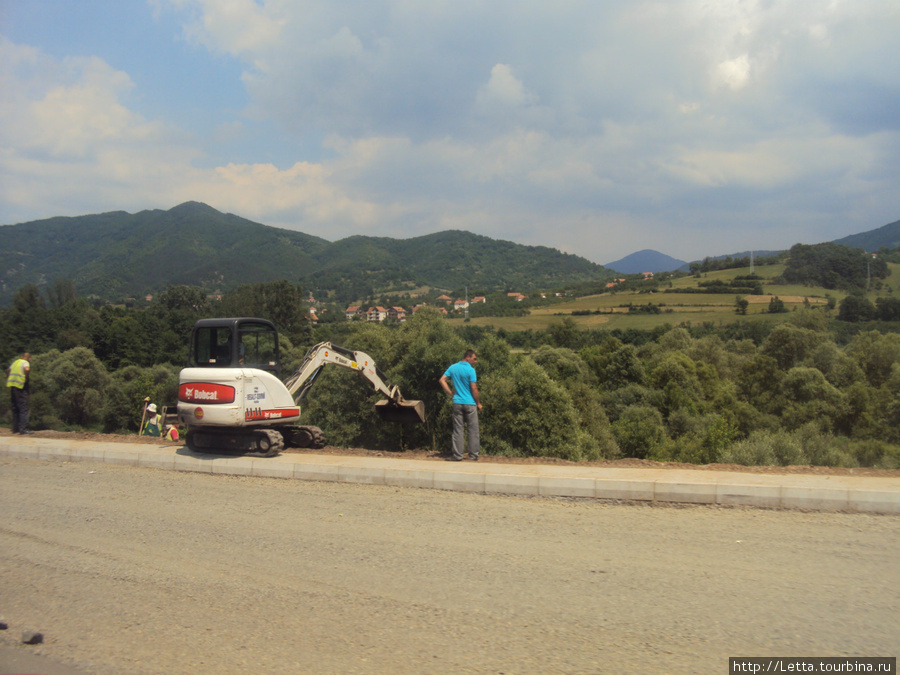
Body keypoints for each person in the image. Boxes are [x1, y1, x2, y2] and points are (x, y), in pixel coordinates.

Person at [439, 349, 482, 461]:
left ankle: (458, 455)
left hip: (457, 402)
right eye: (474, 359)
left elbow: (442, 380)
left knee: (458, 430)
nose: (475, 361)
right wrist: (478, 403)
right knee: (473, 430)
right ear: (467, 357)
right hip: (470, 403)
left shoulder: (453, 367)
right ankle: (473, 456)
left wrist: (451, 393)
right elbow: (474, 388)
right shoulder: (471, 370)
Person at [6, 352, 32, 435]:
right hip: (21, 386)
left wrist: (7, 376)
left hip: (13, 386)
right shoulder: (25, 362)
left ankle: (15, 428)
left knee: (15, 407)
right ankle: (23, 429)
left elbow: (8, 370)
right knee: (23, 408)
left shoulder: (15, 362)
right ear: (28, 358)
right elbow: (27, 369)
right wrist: (26, 376)